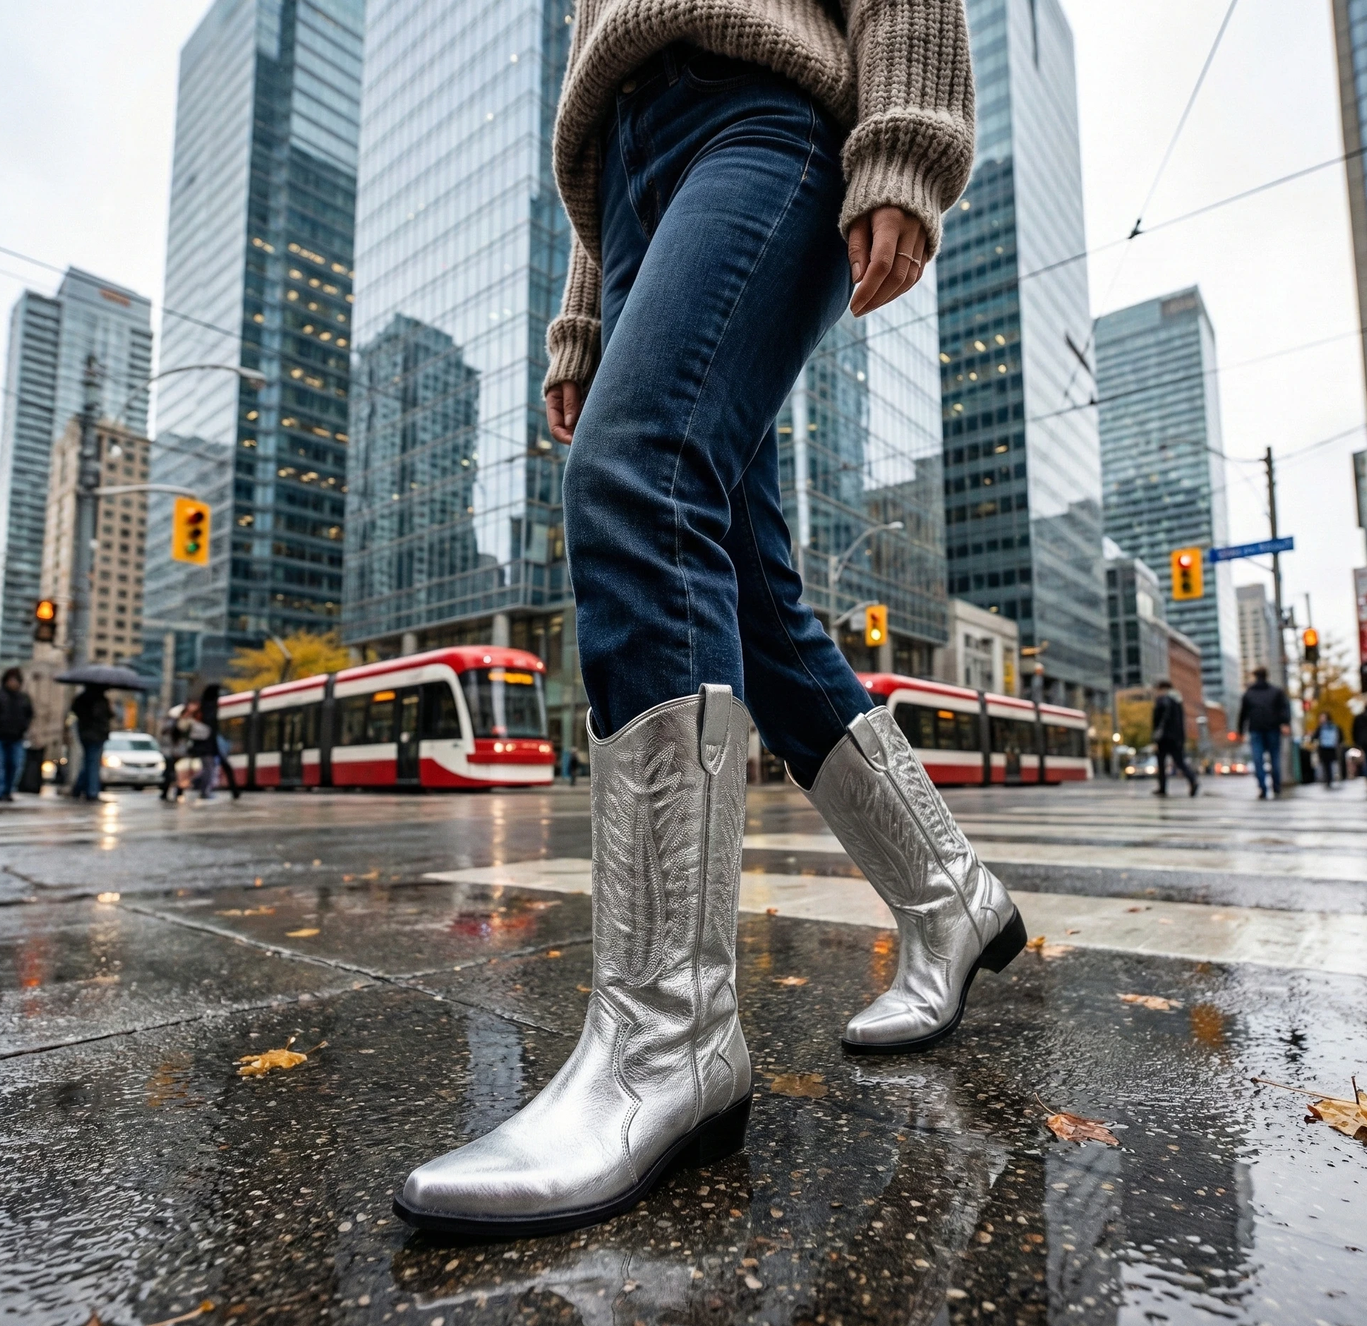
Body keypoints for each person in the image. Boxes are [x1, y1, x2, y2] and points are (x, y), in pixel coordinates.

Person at [395, 0, 1025, 1239]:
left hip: (762, 117)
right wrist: (585, 303)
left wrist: (902, 133)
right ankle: (950, 893)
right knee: (752, 595)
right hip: (629, 182)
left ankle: (665, 1042)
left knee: (637, 477)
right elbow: (604, 46)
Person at [0, 668, 34, 803]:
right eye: (11, 680)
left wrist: (24, 728)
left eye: (16, 680)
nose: (13, 683)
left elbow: (30, 715)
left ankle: (8, 790)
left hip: (17, 737)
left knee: (15, 765)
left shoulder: (23, 698)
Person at [1237, 666, 1290, 799]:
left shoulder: (1249, 693)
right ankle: (1276, 787)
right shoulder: (1276, 691)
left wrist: (1240, 731)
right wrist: (1284, 723)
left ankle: (1263, 788)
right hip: (1273, 729)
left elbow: (1243, 714)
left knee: (1258, 760)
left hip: (1256, 730)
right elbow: (1284, 709)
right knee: (1275, 759)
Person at [1150, 679, 1197, 798]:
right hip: (1176, 737)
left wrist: (1156, 735)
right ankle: (1192, 779)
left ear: (1162, 689)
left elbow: (1159, 719)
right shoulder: (1177, 701)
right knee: (1179, 761)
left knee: (1161, 762)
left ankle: (1162, 788)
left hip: (1164, 737)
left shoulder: (1163, 700)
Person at [194, 683, 241, 801]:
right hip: (210, 745)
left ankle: (232, 791)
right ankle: (205, 792)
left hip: (210, 745)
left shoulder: (204, 706)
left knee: (211, 769)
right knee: (209, 769)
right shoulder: (209, 707)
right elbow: (210, 727)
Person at [69, 684, 112, 801]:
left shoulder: (84, 699)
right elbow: (101, 717)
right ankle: (92, 791)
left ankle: (78, 789)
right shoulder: (95, 700)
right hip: (94, 734)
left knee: (89, 761)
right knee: (92, 762)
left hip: (90, 734)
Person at [158, 704, 193, 803]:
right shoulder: (174, 724)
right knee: (171, 774)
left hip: (178, 753)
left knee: (178, 774)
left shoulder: (181, 723)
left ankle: (177, 792)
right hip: (173, 753)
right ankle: (168, 792)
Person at [1314, 714, 1341, 788]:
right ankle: (1330, 779)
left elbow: (1315, 736)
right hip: (1331, 748)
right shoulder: (1334, 726)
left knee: (1326, 765)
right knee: (1330, 765)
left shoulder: (1321, 727)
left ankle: (1328, 780)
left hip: (1324, 749)